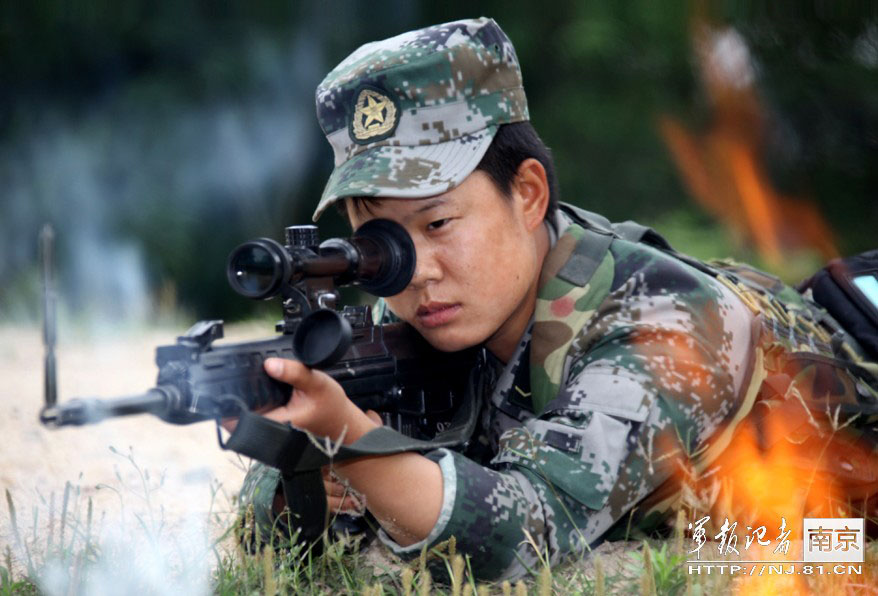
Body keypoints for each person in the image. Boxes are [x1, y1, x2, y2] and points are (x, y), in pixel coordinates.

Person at [235, 17, 878, 581]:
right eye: (379, 244)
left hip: (831, 488)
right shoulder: (408, 315)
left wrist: (354, 443)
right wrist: (303, 467)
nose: (416, 272)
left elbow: (527, 537)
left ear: (529, 194)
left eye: (438, 225)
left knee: (734, 557)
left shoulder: (662, 325)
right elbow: (269, 535)